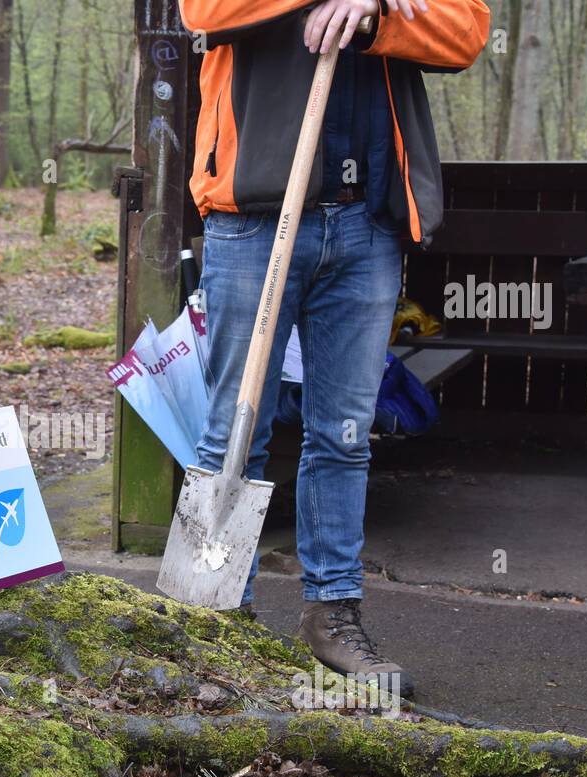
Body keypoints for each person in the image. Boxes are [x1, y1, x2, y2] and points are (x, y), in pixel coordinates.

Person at [179, 0, 489, 694]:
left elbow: (467, 29)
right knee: (235, 428)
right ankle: (212, 621)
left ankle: (332, 615)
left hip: (365, 226)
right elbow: (203, 8)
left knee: (344, 435)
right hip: (252, 222)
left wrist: (376, 13)